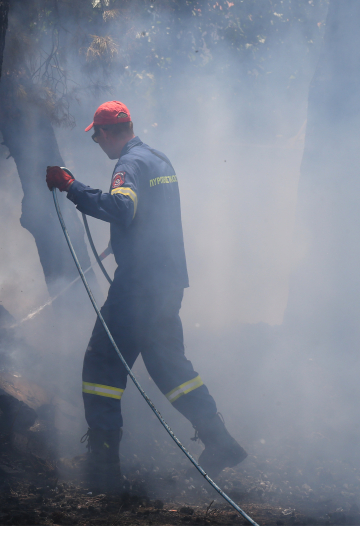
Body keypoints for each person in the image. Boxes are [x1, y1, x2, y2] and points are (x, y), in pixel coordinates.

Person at [46, 100, 247, 493]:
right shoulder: (159, 160)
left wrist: (71, 187)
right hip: (168, 282)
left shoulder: (129, 164)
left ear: (106, 133)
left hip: (139, 287)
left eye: (96, 136)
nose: (97, 143)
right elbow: (152, 217)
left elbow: (123, 208)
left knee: (102, 366)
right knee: (169, 367)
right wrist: (125, 241)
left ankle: (103, 471)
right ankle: (220, 442)